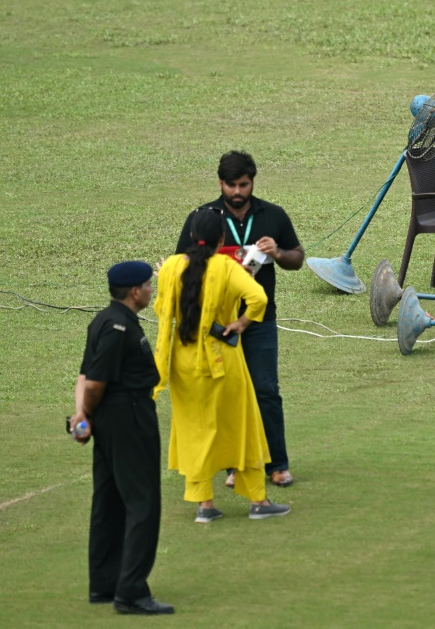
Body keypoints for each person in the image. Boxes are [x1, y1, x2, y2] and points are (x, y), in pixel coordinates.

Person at [176, 151, 304, 487]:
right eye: (230, 185)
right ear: (220, 183)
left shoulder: (273, 215)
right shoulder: (203, 218)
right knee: (227, 393)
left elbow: (297, 258)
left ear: (252, 182)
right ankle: (236, 465)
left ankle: (276, 465)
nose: (237, 191)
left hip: (259, 320)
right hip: (216, 325)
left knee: (265, 390)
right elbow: (182, 265)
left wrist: (277, 253)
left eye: (243, 185)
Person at [157, 208, 291, 521]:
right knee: (242, 426)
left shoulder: (171, 267)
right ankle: (258, 500)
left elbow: (163, 307)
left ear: (191, 237)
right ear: (222, 239)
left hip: (183, 365)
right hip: (222, 362)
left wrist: (165, 276)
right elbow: (258, 299)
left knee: (195, 431)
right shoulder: (226, 267)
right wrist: (241, 324)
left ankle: (204, 505)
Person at [70, 261, 173, 615]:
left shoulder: (102, 319)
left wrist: (83, 415)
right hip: (127, 416)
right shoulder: (117, 327)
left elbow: (84, 375)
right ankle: (131, 591)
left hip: (108, 418)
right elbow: (95, 382)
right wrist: (86, 413)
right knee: (143, 503)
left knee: (109, 501)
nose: (151, 290)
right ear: (134, 292)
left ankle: (104, 583)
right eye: (148, 285)